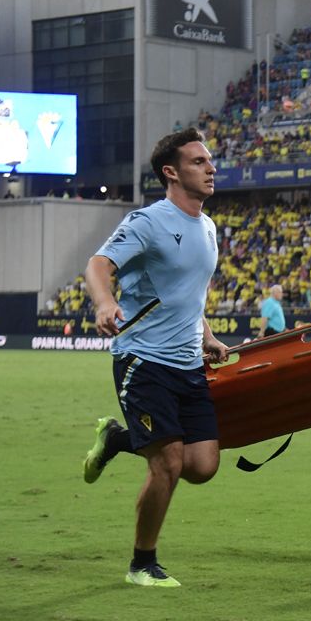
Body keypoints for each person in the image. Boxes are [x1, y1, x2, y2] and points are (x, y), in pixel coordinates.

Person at [80, 128, 229, 588]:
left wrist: (206, 336)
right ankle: (142, 563)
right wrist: (105, 304)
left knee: (201, 466)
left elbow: (191, 293)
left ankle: (116, 439)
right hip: (143, 360)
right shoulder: (148, 221)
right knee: (166, 464)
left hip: (187, 362)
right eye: (199, 162)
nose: (210, 168)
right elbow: (98, 265)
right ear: (171, 172)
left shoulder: (207, 226)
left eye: (209, 161)